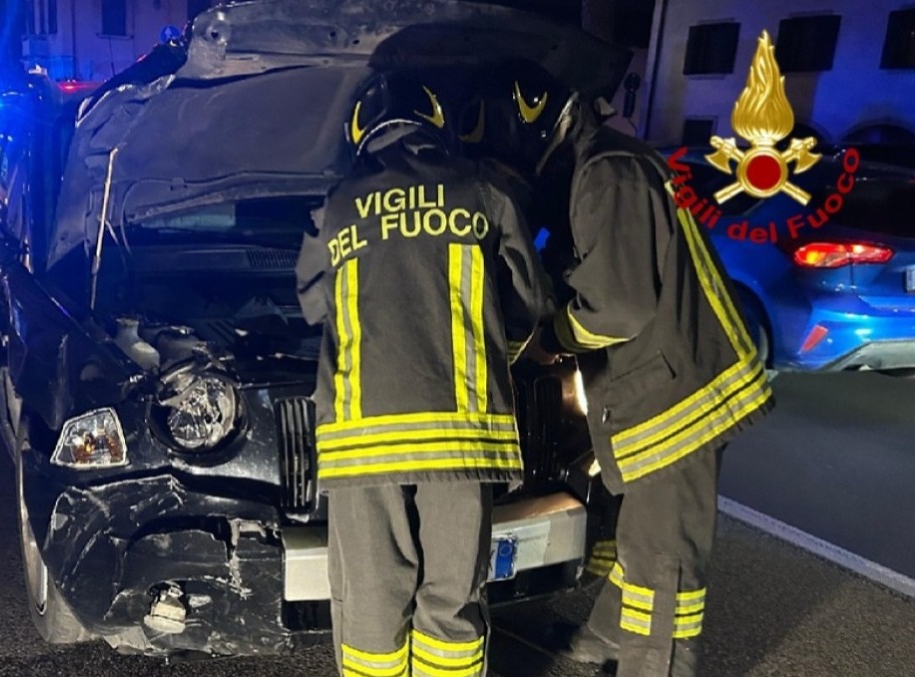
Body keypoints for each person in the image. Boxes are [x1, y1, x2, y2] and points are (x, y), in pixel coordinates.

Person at [499, 61, 776, 676]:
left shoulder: (608, 174)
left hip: (679, 398)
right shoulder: (605, 168)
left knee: (663, 563)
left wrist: (553, 337)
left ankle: (656, 664)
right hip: (668, 386)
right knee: (642, 539)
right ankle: (606, 640)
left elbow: (618, 306)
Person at [296, 71, 551, 677]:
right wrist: (496, 350)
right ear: (437, 125)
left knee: (371, 599)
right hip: (460, 436)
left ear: (361, 134)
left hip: (364, 442)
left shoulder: (335, 206)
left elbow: (312, 306)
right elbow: (530, 302)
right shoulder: (483, 190)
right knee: (453, 603)